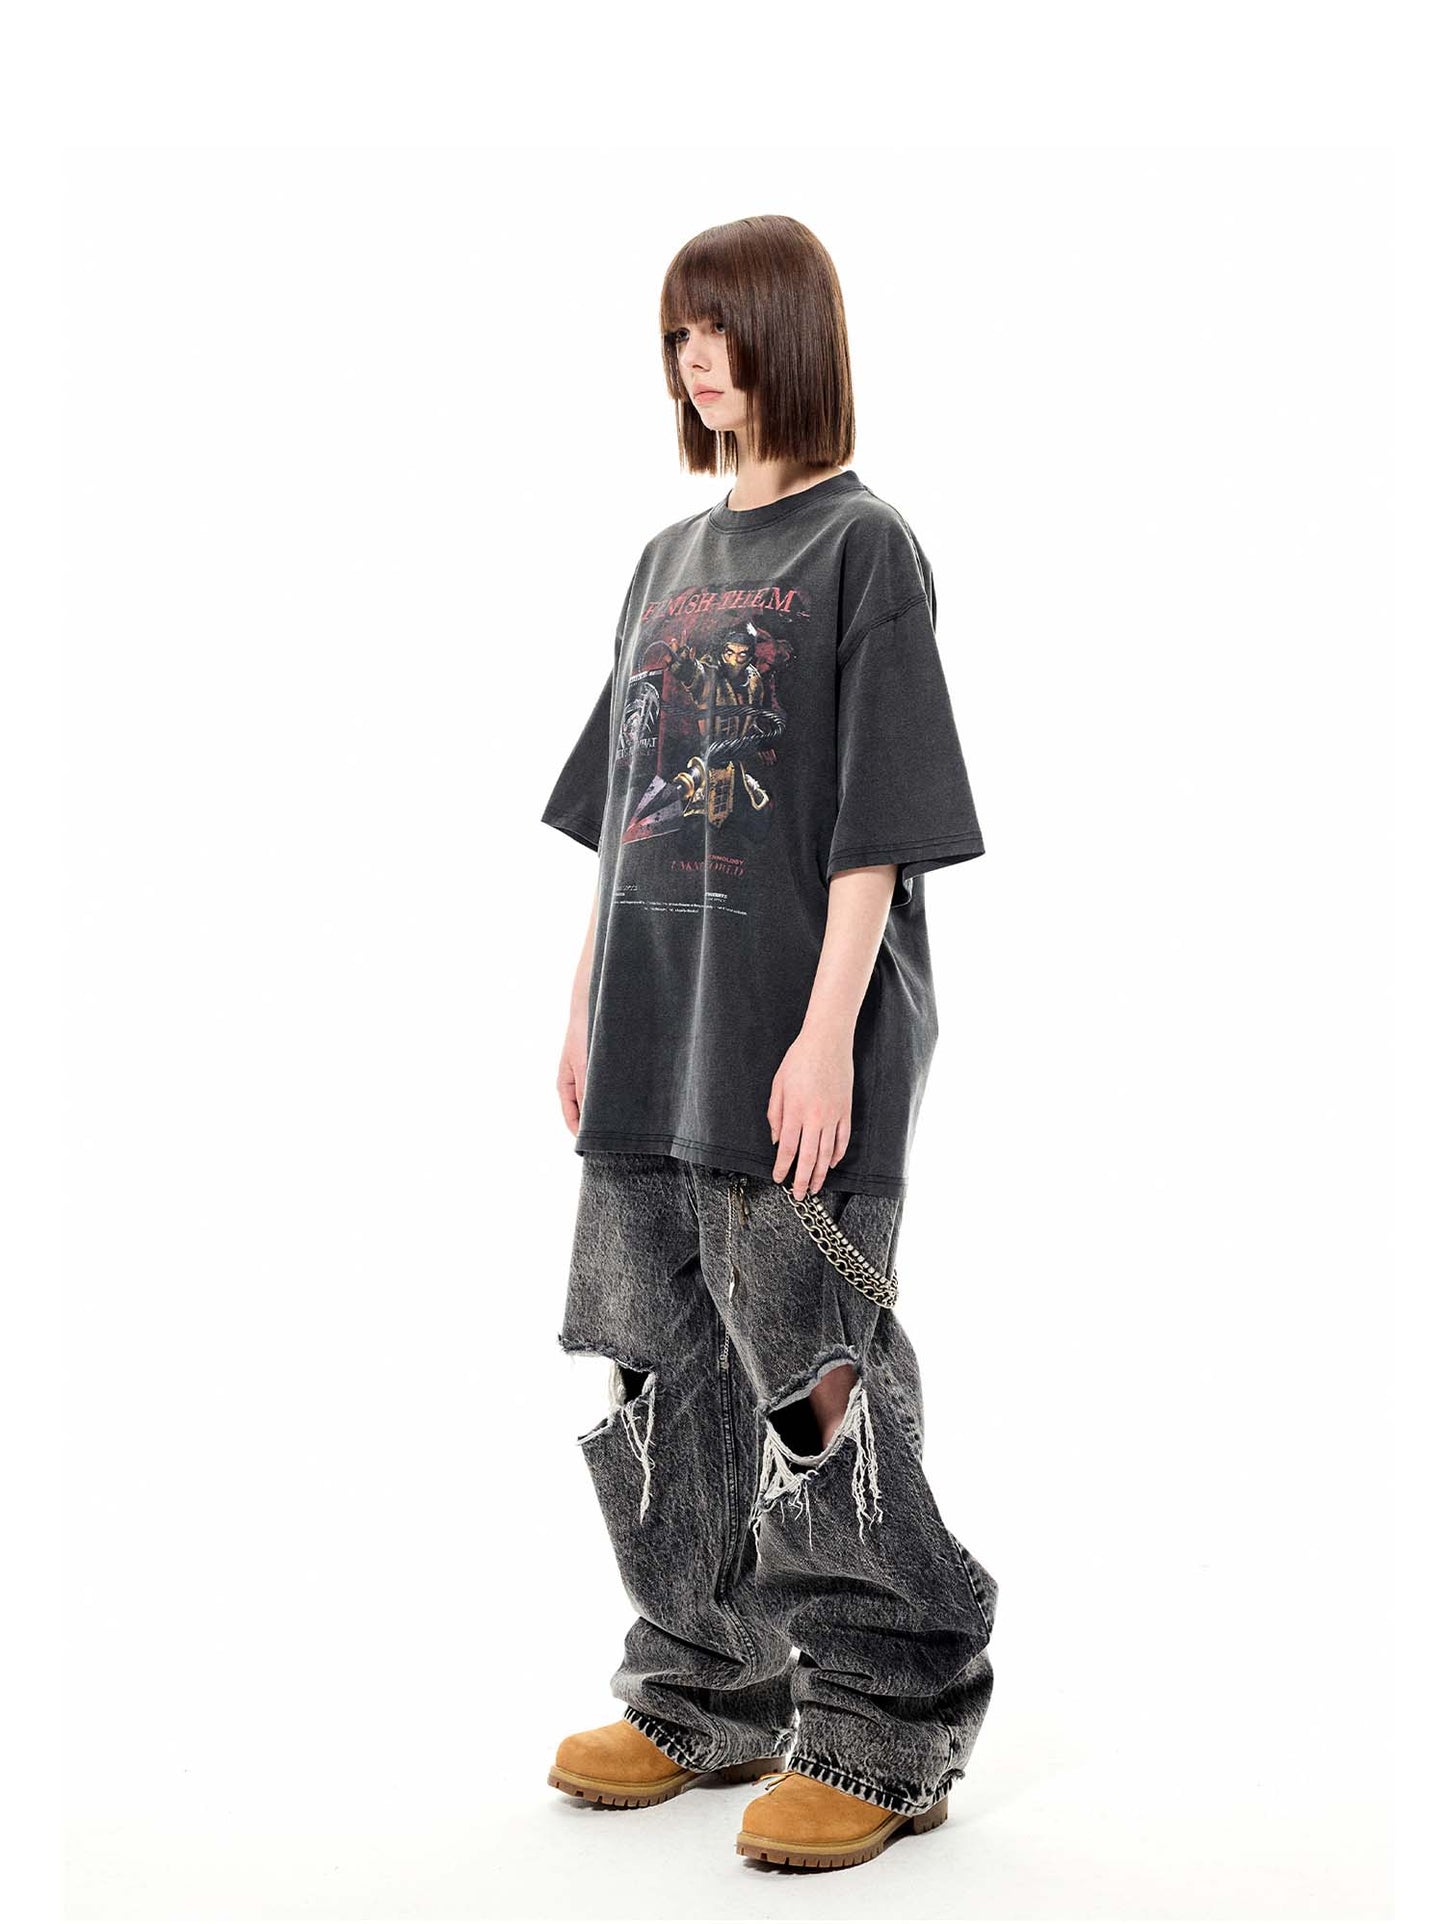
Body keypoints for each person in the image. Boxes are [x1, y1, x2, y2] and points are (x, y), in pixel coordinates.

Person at [538, 214, 998, 1875]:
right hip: (651, 1031)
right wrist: (584, 1002)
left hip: (792, 1035)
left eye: (720, 329)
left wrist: (824, 1040)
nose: (694, 360)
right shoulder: (664, 561)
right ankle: (705, 1685)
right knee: (653, 1362)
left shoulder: (863, 549)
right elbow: (627, 812)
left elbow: (877, 830)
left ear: (786, 338)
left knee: (812, 1373)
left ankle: (885, 1719)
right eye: (678, 333)